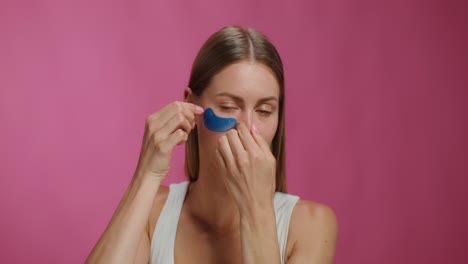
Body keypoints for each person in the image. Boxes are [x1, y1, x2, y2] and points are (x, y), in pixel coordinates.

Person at [86, 26, 337, 264]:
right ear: (191, 106)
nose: (248, 128)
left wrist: (256, 208)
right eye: (228, 107)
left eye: (264, 110)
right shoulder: (153, 212)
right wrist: (147, 175)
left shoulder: (311, 225)